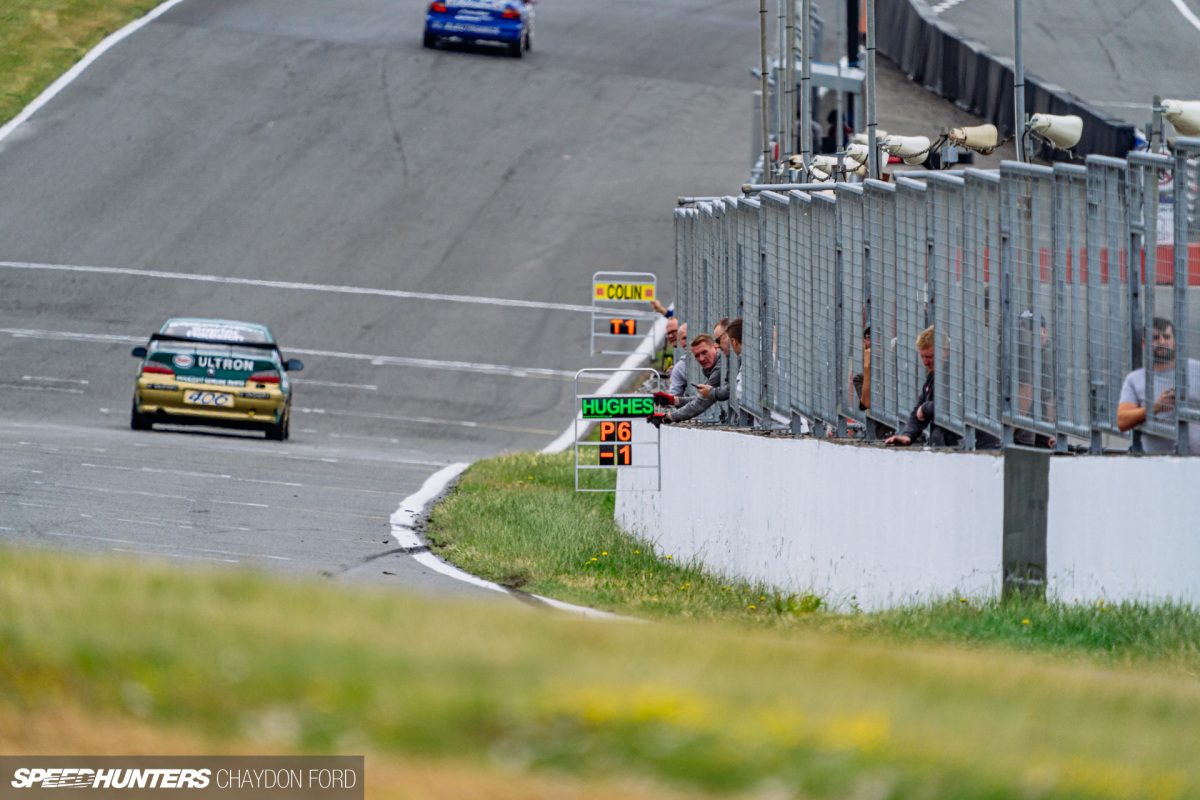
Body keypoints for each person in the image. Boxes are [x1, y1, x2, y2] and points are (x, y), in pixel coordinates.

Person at [885, 326, 1000, 449]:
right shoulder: (934, 374)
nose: (925, 362)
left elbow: (955, 406)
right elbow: (919, 409)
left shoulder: (962, 370)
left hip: (976, 447)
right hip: (953, 446)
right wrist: (908, 435)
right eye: (922, 356)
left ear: (944, 350)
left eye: (929, 357)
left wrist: (925, 408)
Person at [1117, 317, 1200, 454]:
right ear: (1145, 343)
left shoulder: (1196, 369)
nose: (1161, 342)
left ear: (1174, 341)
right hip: (1159, 465)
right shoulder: (1135, 379)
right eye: (1155, 338)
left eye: (1166, 337)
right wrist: (1155, 408)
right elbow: (1122, 421)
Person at [649, 334, 723, 426]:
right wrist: (674, 400)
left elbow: (701, 403)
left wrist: (668, 418)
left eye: (704, 352)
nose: (701, 358)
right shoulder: (714, 365)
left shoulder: (719, 367)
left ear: (716, 347)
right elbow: (703, 398)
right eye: (697, 355)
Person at [849, 327, 895, 440]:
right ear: (864, 343)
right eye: (870, 338)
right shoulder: (859, 378)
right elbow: (866, 403)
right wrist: (868, 366)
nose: (875, 342)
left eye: (879, 338)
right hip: (885, 435)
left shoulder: (896, 369)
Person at [666, 322, 689, 397]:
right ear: (679, 340)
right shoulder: (679, 366)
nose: (670, 336)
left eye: (673, 332)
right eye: (668, 333)